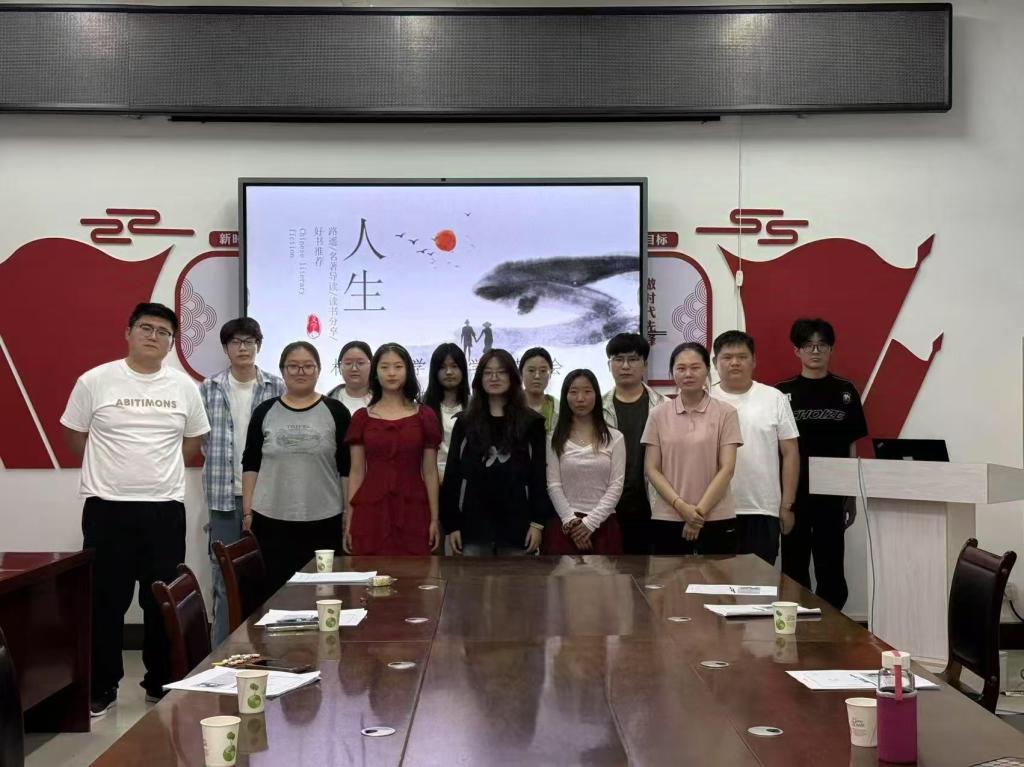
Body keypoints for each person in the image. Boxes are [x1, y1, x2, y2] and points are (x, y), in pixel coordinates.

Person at [60, 302, 210, 717]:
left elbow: (192, 442)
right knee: (105, 601)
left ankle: (160, 681)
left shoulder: (183, 387)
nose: (153, 336)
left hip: (164, 510)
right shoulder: (95, 380)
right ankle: (102, 686)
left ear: (171, 343)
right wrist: (110, 471)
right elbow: (75, 436)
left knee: (161, 600)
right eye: (146, 328)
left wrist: (154, 474)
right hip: (108, 509)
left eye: (164, 332)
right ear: (128, 332)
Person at [199, 317, 284, 645]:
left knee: (268, 574)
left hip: (267, 498)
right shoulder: (209, 388)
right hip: (223, 498)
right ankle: (222, 652)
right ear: (226, 348)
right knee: (224, 578)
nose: (243, 347)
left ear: (258, 346)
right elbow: (200, 439)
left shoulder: (276, 387)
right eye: (235, 342)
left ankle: (268, 648)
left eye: (249, 341)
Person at [242, 342, 351, 594]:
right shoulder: (264, 411)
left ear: (319, 370)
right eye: (293, 366)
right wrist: (247, 512)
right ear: (282, 370)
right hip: (270, 520)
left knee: (324, 593)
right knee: (275, 595)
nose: (300, 372)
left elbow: (346, 468)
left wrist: (347, 512)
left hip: (325, 520)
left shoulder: (336, 411)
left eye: (308, 366)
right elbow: (251, 463)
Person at [777, 318, 868, 610]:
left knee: (831, 565)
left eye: (822, 345)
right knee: (794, 564)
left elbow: (852, 445)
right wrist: (782, 501)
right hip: (794, 494)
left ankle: (832, 624)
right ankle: (797, 622)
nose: (815, 351)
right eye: (808, 345)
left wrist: (851, 495)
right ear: (797, 351)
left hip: (832, 494)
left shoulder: (845, 391)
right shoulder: (782, 393)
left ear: (831, 349)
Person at [440, 349, 549, 556]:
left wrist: (537, 523)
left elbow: (538, 476)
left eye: (501, 372)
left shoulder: (532, 423)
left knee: (519, 577)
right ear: (479, 378)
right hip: (472, 527)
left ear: (512, 376)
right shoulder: (464, 423)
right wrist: (452, 524)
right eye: (488, 372)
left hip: (518, 527)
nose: (494, 378)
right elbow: (453, 475)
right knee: (471, 577)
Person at [642, 342, 743, 555]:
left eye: (695, 367)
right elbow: (651, 468)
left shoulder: (726, 413)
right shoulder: (657, 414)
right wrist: (682, 507)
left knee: (717, 577)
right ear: (672, 372)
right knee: (668, 577)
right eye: (681, 368)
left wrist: (698, 514)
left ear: (707, 369)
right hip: (668, 516)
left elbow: (727, 469)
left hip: (716, 517)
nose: (688, 374)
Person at [711, 330, 800, 566]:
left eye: (742, 357)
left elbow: (790, 453)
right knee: (714, 582)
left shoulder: (774, 398)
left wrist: (787, 505)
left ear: (754, 361)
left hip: (763, 509)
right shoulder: (704, 399)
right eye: (727, 357)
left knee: (760, 583)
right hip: (713, 509)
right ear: (715, 362)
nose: (735, 362)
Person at [344, 343, 442, 555]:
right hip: (371, 509)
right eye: (384, 367)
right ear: (375, 373)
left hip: (414, 507)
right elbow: (357, 472)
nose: (391, 373)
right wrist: (349, 519)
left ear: (408, 371)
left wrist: (434, 519)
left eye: (398, 366)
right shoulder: (362, 418)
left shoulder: (425, 416)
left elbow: (430, 471)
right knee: (368, 571)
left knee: (416, 571)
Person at [544, 369, 625, 554]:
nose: (580, 398)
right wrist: (571, 521)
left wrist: (590, 523)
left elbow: (616, 485)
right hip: (565, 527)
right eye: (573, 392)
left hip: (603, 525)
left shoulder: (615, 437)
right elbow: (553, 484)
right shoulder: (553, 438)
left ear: (596, 395)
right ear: (565, 396)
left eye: (587, 391)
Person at [602, 333, 666, 554]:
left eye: (633, 359)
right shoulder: (597, 409)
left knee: (653, 572)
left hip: (652, 506)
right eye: (618, 359)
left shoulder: (664, 406)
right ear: (609, 365)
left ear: (645, 364)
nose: (625, 366)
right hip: (608, 510)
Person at [422, 342, 470, 481]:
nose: (449, 372)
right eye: (442, 367)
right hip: (430, 479)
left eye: (454, 366)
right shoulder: (422, 407)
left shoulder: (475, 405)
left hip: (466, 480)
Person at [520, 346, 559, 437]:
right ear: (521, 373)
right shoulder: (509, 406)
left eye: (543, 371)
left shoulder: (557, 408)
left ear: (550, 374)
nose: (537, 376)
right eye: (531, 370)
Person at [326, 340, 373, 414]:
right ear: (339, 366)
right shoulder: (328, 401)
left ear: (372, 365)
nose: (354, 368)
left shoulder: (383, 399)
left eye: (360, 363)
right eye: (348, 363)